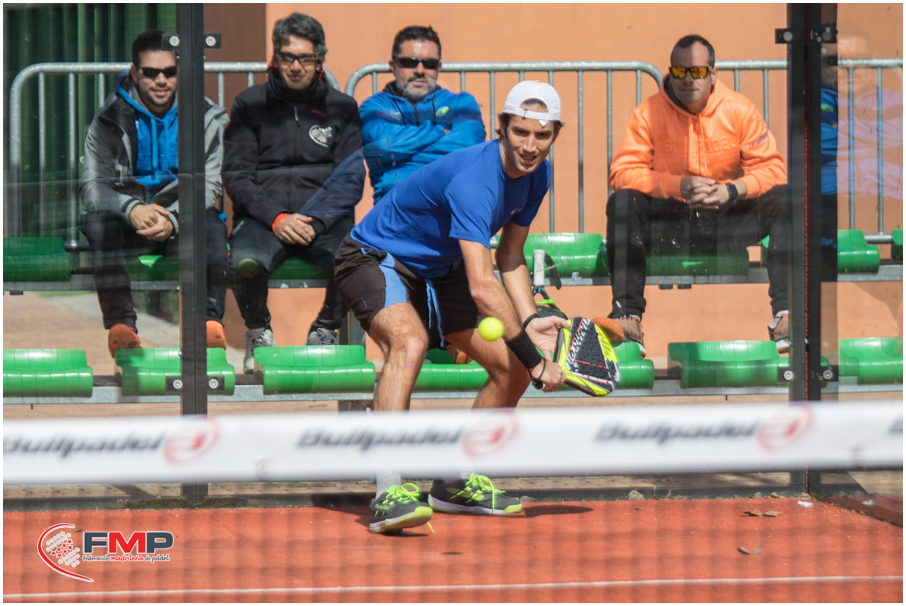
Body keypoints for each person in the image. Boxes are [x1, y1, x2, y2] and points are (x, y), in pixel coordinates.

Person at [334, 81, 569, 534]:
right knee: (409, 342)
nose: (530, 146)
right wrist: (536, 359)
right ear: (501, 128)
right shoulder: (476, 180)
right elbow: (482, 286)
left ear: (554, 134)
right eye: (520, 132)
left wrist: (530, 320)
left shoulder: (538, 175)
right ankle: (387, 493)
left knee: (511, 369)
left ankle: (454, 482)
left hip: (440, 269)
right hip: (375, 256)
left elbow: (510, 256)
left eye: (542, 135)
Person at [605, 34, 789, 355]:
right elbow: (622, 173)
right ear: (671, 71)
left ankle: (788, 315)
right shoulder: (647, 113)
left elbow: (773, 170)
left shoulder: (739, 109)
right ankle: (627, 316)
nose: (688, 79)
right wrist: (677, 185)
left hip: (724, 219)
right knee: (622, 202)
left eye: (698, 71)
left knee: (786, 199)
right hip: (670, 222)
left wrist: (731, 190)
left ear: (713, 74)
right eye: (680, 71)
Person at [222, 12, 365, 373]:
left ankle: (325, 329)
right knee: (244, 264)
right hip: (263, 220)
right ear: (275, 58)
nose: (296, 66)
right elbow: (237, 176)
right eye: (288, 57)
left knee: (359, 260)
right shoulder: (249, 104)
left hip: (324, 221)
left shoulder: (342, 108)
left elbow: (350, 179)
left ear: (320, 60)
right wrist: (277, 219)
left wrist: (315, 221)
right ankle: (259, 331)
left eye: (305, 58)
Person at [80, 29, 230, 357]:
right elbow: (92, 186)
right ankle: (123, 327)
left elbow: (210, 185)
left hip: (180, 219)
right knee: (98, 223)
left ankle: (207, 323)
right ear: (135, 73)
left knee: (212, 224)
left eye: (170, 72)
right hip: (128, 222)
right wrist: (132, 209)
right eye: (151, 72)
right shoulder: (108, 119)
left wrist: (174, 219)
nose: (161, 80)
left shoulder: (205, 117)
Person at [359, 25, 486, 203]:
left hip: (451, 205)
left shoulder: (461, 103)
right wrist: (440, 131)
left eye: (429, 64)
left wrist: (402, 157)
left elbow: (469, 146)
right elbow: (385, 146)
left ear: (439, 67)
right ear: (393, 66)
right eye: (409, 62)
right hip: (395, 206)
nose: (420, 70)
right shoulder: (373, 107)